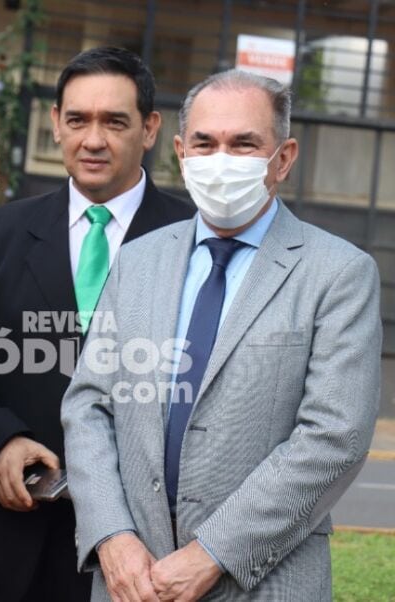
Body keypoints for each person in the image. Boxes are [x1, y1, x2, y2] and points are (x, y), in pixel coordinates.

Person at [61, 69, 381, 602]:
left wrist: (213, 553)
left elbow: (335, 437)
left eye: (244, 143)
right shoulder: (137, 260)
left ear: (283, 157)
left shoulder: (339, 273)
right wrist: (112, 537)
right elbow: (89, 406)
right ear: (182, 152)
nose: (221, 159)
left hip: (265, 580)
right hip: (129, 581)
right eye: (206, 144)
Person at [0, 47, 194, 601]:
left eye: (114, 122)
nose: (92, 139)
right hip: (11, 529)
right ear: (55, 124)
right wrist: (0, 441)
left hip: (142, 543)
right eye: (77, 120)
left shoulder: (194, 239)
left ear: (149, 129)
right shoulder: (0, 233)